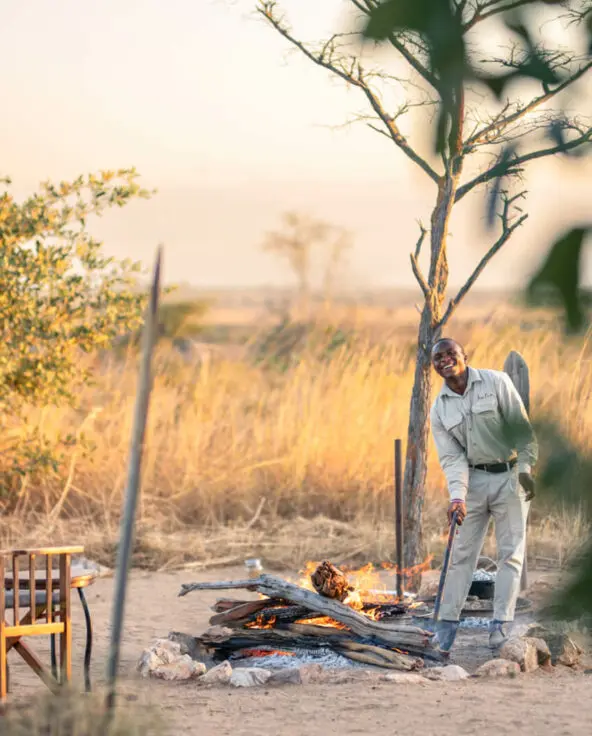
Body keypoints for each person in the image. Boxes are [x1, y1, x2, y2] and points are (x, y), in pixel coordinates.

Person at [429, 338, 537, 654]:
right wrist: (458, 498)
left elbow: (522, 431)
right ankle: (445, 629)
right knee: (461, 555)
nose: (445, 359)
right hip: (474, 482)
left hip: (512, 476)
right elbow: (452, 459)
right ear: (434, 366)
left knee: (510, 554)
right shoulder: (440, 409)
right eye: (438, 357)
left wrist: (526, 471)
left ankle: (501, 628)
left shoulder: (496, 382)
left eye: (450, 353)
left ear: (465, 356)